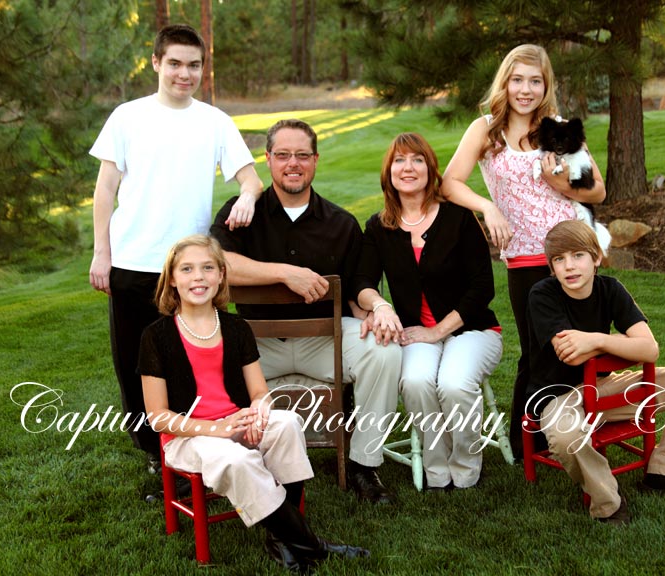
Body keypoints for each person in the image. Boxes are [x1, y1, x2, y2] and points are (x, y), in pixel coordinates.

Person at [138, 235, 369, 571]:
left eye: (207, 268)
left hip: (237, 422)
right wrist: (217, 429)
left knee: (287, 423)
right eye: (186, 269)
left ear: (221, 275)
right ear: (172, 279)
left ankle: (280, 539)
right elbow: (158, 417)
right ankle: (313, 546)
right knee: (237, 458)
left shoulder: (236, 328)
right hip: (188, 437)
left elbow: (260, 392)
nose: (198, 277)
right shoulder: (156, 336)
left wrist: (260, 409)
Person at [88, 24, 263, 466]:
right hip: (133, 260)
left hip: (192, 269)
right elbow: (105, 189)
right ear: (156, 63)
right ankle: (155, 453)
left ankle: (201, 442)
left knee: (193, 362)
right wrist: (102, 253)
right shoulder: (127, 117)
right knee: (135, 363)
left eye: (194, 65)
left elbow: (251, 179)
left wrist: (246, 196)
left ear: (203, 67)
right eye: (175, 64)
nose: (185, 74)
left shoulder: (214, 121)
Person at [210, 119, 402, 505]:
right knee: (201, 353)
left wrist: (376, 307)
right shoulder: (241, 213)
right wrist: (285, 273)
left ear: (316, 160)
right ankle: (221, 458)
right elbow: (219, 265)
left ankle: (363, 464)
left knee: (385, 351)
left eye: (302, 155)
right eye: (283, 155)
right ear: (267, 159)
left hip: (323, 344)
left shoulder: (341, 223)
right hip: (256, 350)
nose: (292, 163)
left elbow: (357, 287)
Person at [441, 44, 606, 456]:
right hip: (525, 257)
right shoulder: (486, 130)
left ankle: (583, 430)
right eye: (517, 80)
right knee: (537, 350)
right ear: (505, 82)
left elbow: (597, 190)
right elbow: (449, 183)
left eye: (535, 81)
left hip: (574, 252)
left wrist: (559, 183)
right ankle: (528, 443)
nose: (526, 90)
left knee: (584, 346)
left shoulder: (559, 129)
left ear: (546, 85)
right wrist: (488, 207)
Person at [525, 220, 665, 525]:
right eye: (559, 259)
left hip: (605, 387)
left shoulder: (611, 289)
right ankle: (608, 503)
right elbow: (572, 356)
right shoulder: (543, 294)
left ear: (596, 258)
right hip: (559, 396)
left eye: (578, 255)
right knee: (565, 437)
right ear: (552, 268)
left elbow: (649, 349)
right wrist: (624, 344)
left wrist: (598, 340)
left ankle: (663, 475)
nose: (569, 266)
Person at [353, 133, 503, 490]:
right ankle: (437, 469)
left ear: (430, 169)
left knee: (453, 383)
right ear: (388, 172)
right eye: (399, 160)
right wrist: (380, 305)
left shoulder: (459, 218)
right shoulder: (379, 226)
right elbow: (362, 281)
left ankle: (465, 467)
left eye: (417, 160)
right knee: (417, 382)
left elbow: (482, 287)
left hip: (471, 329)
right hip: (415, 332)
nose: (408, 168)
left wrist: (437, 331)